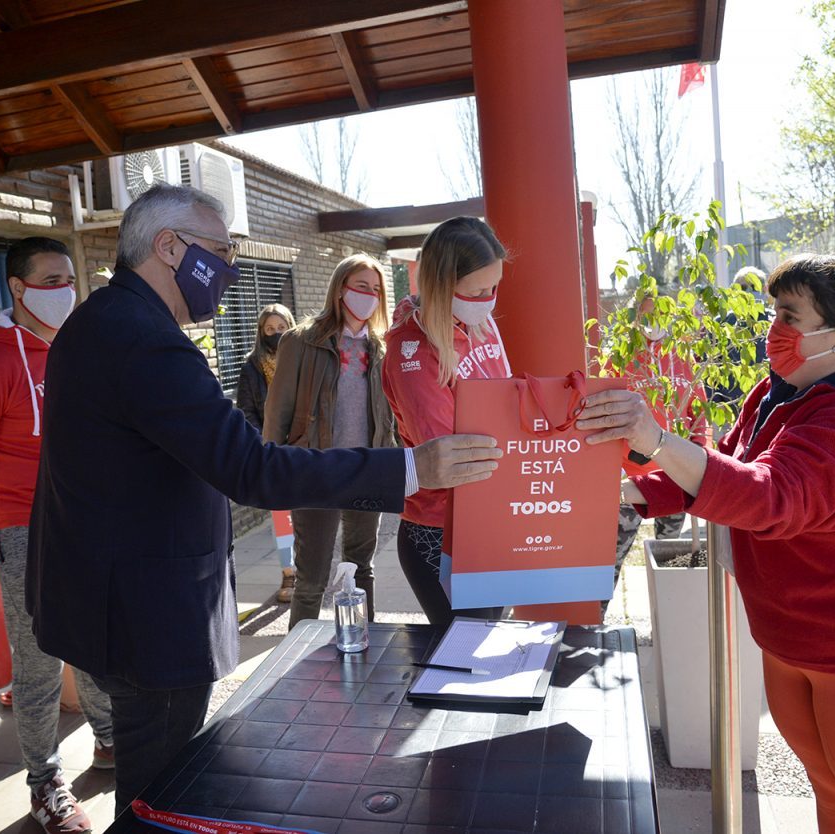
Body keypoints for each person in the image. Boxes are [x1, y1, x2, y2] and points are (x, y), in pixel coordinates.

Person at [25, 185, 500, 812]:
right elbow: (251, 468)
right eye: (220, 251)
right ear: (168, 248)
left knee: (164, 777)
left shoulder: (97, 323)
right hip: (146, 615)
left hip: (107, 599)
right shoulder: (143, 339)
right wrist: (411, 467)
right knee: (159, 793)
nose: (229, 269)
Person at [579, 255, 835, 833]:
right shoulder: (776, 393)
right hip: (791, 643)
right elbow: (721, 469)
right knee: (833, 801)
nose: (772, 328)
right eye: (773, 311)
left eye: (789, 314)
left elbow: (768, 496)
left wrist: (653, 439)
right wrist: (618, 494)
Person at [0, 237, 114, 834]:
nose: (66, 290)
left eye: (70, 278)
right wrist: (9, 515)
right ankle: (44, 782)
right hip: (25, 533)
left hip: (84, 523)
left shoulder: (74, 351)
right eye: (51, 279)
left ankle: (112, 741)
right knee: (39, 662)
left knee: (94, 641)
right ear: (17, 288)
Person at [381, 216, 511, 625]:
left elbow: (507, 402)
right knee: (464, 666)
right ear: (441, 284)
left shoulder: (479, 323)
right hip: (440, 531)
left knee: (489, 649)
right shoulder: (413, 351)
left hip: (488, 517)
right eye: (478, 291)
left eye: (494, 287)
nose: (490, 299)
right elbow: (448, 456)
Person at [264, 254, 396, 628]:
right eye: (361, 287)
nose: (369, 296)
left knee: (362, 568)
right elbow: (278, 413)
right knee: (312, 580)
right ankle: (291, 665)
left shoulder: (381, 348)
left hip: (368, 471)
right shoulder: (301, 341)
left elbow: (391, 416)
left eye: (376, 289)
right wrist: (272, 473)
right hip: (315, 472)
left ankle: (364, 646)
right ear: (340, 289)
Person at [612, 297, 702, 588]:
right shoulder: (619, 359)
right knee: (612, 556)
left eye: (660, 315)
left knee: (671, 554)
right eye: (646, 316)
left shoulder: (682, 357)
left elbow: (699, 413)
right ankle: (594, 619)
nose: (653, 323)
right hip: (629, 477)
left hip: (673, 473)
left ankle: (668, 610)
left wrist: (700, 458)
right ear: (635, 318)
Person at [235, 303, 297, 601]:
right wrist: (265, 443)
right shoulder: (251, 369)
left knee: (308, 516)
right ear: (261, 333)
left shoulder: (301, 360)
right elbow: (246, 411)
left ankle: (310, 571)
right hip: (272, 451)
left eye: (281, 328)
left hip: (303, 448)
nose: (275, 334)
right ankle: (289, 574)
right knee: (282, 516)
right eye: (269, 330)